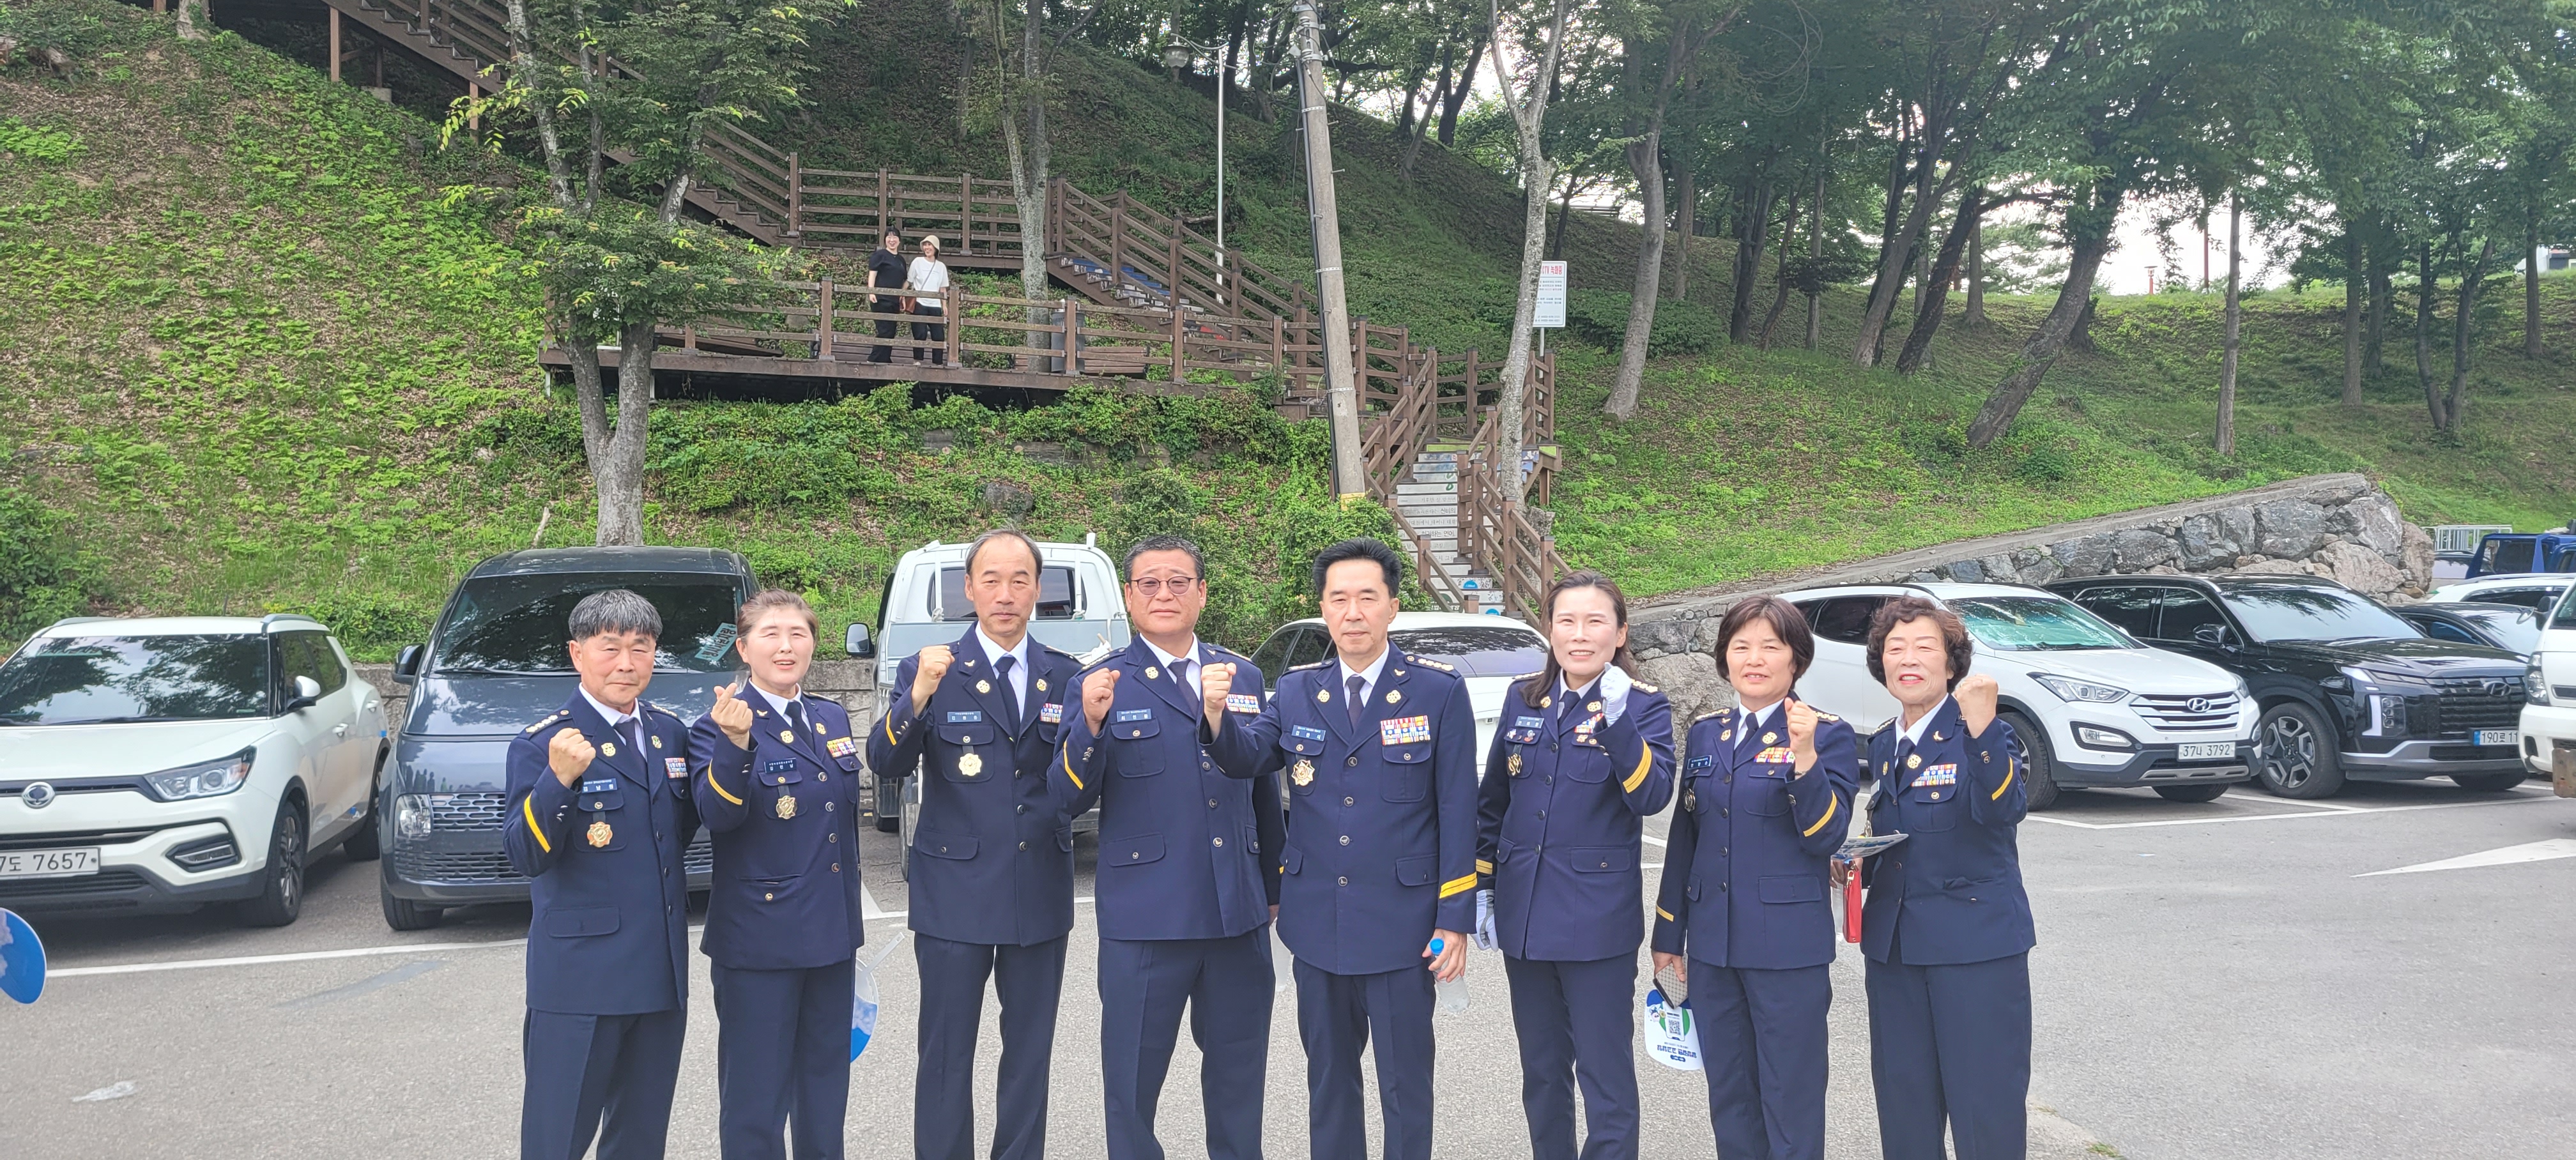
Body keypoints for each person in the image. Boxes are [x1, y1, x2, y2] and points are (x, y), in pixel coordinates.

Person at [1204, 537, 1477, 1160]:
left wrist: (1454, 919)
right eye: (1339, 599)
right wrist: (1215, 716)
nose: (1353, 613)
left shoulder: (1437, 693)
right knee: (1329, 1082)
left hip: (1405, 925)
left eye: (1367, 598)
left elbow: (1459, 811)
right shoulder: (1297, 690)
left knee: (1406, 1085)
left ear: (1392, 607)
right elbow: (1248, 757)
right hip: (1317, 923)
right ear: (1324, 608)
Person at [1056, 535, 1287, 1160]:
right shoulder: (1099, 682)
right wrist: (1091, 725)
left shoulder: (1241, 675)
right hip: (1146, 919)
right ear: (1129, 596)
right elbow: (1064, 798)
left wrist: (1272, 886)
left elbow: (1263, 787)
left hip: (1236, 914)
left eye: (1179, 581)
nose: (1165, 593)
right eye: (1150, 583)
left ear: (1202, 593)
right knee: (1132, 1088)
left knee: (1239, 1081)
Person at [864, 529, 1083, 1160]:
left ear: (1037, 590)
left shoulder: (1065, 674)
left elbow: (1078, 778)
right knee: (945, 1051)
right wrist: (918, 696)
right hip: (954, 892)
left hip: (1038, 886)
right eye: (991, 580)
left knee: (1030, 1052)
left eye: (1020, 580)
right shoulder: (929, 668)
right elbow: (884, 761)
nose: (1005, 593)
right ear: (969, 589)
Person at [1475, 571, 1675, 1160]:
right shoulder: (1524, 698)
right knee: (1541, 1072)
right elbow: (1494, 803)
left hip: (1596, 923)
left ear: (1620, 633)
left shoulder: (1643, 705)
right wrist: (1483, 889)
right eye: (1567, 620)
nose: (1580, 634)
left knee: (1604, 1075)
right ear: (1550, 629)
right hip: (1525, 918)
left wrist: (1617, 723)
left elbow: (1652, 796)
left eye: (1595, 622)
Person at [1652, 596, 1859, 1160]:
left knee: (1791, 1099)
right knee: (1731, 1097)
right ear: (1724, 659)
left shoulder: (1827, 734)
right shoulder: (1707, 734)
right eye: (1741, 646)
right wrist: (1669, 935)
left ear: (1797, 659)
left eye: (1771, 646)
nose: (1755, 659)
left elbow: (1826, 837)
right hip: (1714, 948)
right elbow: (1685, 839)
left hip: (1787, 951)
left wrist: (1804, 757)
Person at [501, 589, 700, 1160]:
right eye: (610, 647)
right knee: (556, 1141)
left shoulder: (669, 734)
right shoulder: (544, 744)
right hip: (580, 982)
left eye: (641, 647)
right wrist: (558, 782)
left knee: (640, 1141)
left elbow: (675, 834)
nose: (626, 663)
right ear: (577, 654)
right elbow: (524, 855)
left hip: (658, 975)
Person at [1838, 595, 2034, 1160]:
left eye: (1925, 646)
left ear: (1952, 663)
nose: (1908, 658)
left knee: (1984, 1109)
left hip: (1974, 950)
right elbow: (1900, 840)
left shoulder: (1982, 730)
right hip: (1896, 952)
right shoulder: (1885, 741)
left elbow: (2004, 809)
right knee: (1905, 1109)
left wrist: (1983, 726)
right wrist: (1855, 862)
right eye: (1894, 648)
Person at [687, 590, 867, 1160]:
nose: (786, 647)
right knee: (755, 1100)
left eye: (798, 634)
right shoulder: (716, 724)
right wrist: (735, 744)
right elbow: (717, 817)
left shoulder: (829, 716)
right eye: (771, 634)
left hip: (831, 937)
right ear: (744, 649)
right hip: (759, 943)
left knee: (824, 1091)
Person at [907, 234, 951, 366]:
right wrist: (901, 295)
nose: (927, 248)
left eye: (930, 245)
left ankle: (937, 363)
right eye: (925, 245)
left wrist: (944, 304)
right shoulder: (917, 262)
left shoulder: (941, 267)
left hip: (935, 304)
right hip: (920, 302)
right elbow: (909, 281)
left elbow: (942, 288)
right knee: (920, 333)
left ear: (936, 248)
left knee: (938, 335)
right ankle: (918, 360)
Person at [868, 230, 907, 364]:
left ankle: (885, 359)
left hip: (894, 301)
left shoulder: (901, 260)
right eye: (889, 237)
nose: (892, 240)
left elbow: (902, 280)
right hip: (881, 299)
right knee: (884, 330)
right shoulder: (880, 255)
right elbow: (872, 274)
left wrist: (902, 297)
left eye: (895, 237)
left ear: (899, 241)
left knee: (891, 331)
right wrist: (871, 292)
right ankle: (873, 360)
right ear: (885, 240)